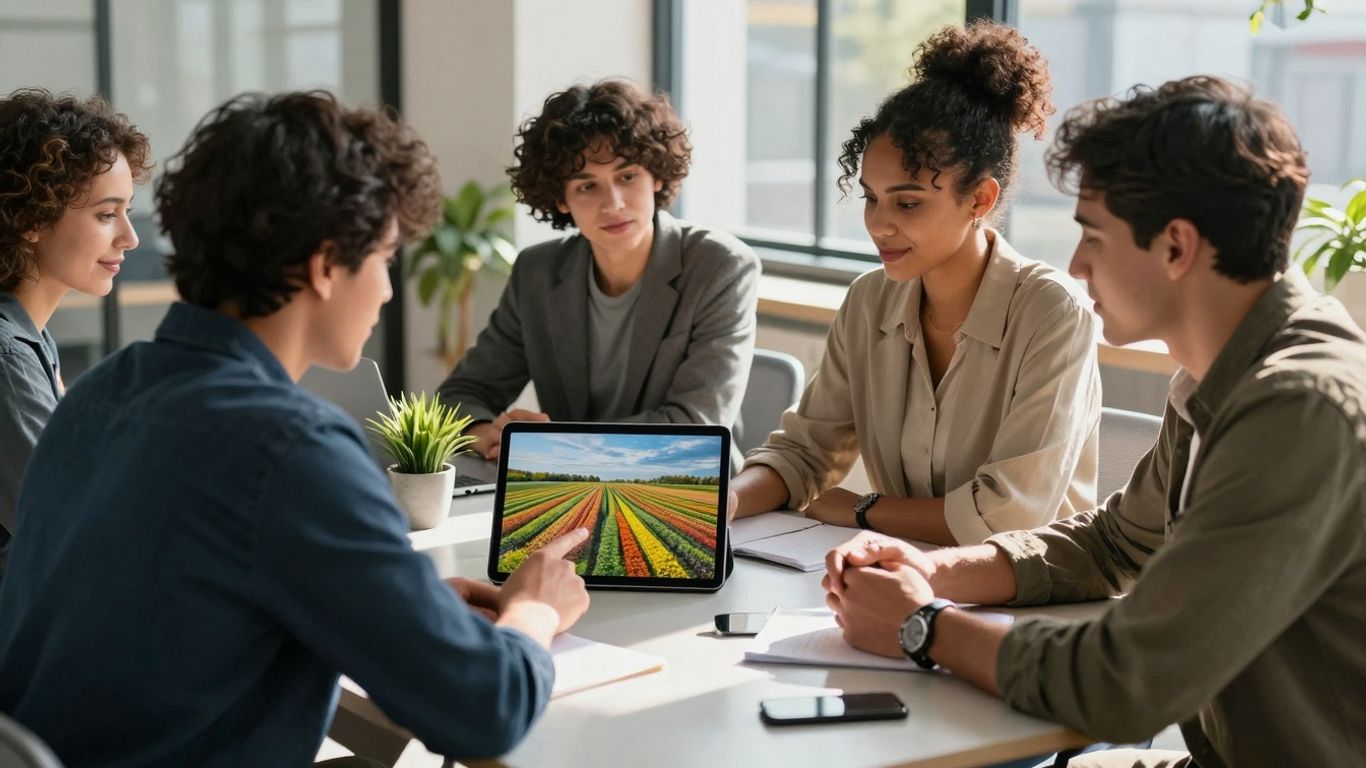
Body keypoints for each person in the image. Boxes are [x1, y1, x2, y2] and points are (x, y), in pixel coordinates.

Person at [0, 92, 591, 766]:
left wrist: (401, 606)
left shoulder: (102, 392)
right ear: (324, 264)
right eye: (385, 259)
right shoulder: (287, 447)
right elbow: (485, 710)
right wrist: (536, 609)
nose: (389, 292)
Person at [822, 75, 1366, 767]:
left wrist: (920, 627)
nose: (1076, 265)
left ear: (1175, 247)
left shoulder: (1297, 407)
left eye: (1094, 237)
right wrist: (932, 571)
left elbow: (1128, 680)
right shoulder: (1215, 376)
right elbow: (1114, 543)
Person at [732, 21, 1100, 546]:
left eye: (907, 203)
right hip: (898, 573)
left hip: (1026, 597)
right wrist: (721, 505)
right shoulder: (869, 300)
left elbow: (1008, 515)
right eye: (870, 197)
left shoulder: (1052, 313)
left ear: (980, 200)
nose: (879, 224)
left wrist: (863, 510)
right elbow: (803, 454)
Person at [435, 79, 760, 468]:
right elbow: (463, 392)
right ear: (561, 199)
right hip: (564, 490)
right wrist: (484, 432)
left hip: (683, 492)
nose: (613, 203)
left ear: (656, 176)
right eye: (587, 186)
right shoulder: (537, 272)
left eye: (627, 177)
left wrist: (545, 447)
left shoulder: (719, 266)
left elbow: (694, 429)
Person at [0, 89, 150, 558]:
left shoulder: (31, 336)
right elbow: (79, 524)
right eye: (107, 214)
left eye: (127, 211)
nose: (130, 237)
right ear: (30, 217)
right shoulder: (8, 357)